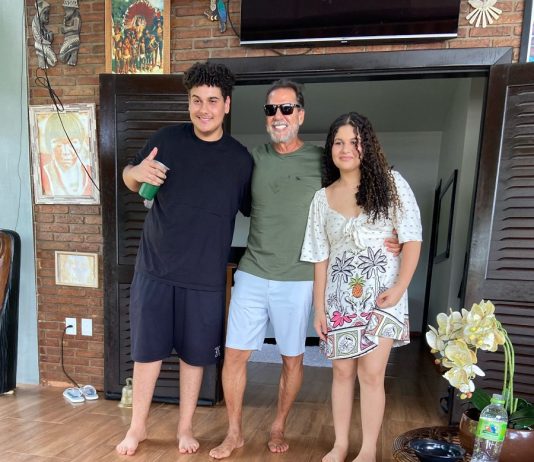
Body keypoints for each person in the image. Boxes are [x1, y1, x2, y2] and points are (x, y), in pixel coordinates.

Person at [209, 81, 401, 459]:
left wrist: (392, 233)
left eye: (286, 108)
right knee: (234, 355)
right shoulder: (253, 159)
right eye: (271, 110)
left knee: (292, 358)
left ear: (300, 114)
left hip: (299, 278)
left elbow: (365, 185)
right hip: (252, 271)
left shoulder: (322, 160)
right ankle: (234, 433)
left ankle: (278, 425)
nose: (278, 116)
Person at [115, 62, 253, 457]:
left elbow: (257, 211)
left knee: (194, 359)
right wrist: (136, 171)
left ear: (226, 104)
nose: (204, 109)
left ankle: (185, 428)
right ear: (188, 103)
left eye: (212, 101)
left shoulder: (240, 160)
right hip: (155, 270)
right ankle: (137, 427)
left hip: (205, 278)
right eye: (196, 101)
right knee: (147, 354)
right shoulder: (167, 140)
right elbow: (130, 178)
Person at [300, 112, 422, 462]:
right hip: (339, 299)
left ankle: (367, 450)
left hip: (383, 295)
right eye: (338, 142)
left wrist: (400, 288)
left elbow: (412, 238)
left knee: (371, 374)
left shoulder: (392, 183)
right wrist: (319, 308)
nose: (346, 148)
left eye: (354, 141)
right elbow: (320, 258)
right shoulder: (322, 198)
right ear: (330, 149)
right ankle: (340, 445)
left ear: (367, 146)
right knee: (341, 372)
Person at [40, 112, 93, 197]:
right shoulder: (44, 173)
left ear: (80, 143)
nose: (65, 152)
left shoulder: (91, 172)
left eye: (72, 143)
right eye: (59, 145)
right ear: (49, 145)